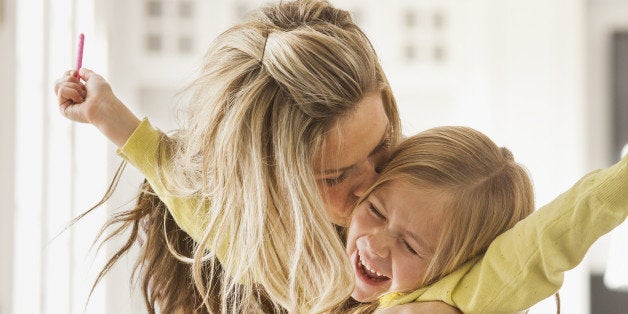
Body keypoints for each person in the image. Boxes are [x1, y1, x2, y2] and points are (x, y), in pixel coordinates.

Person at [54, 0, 628, 312]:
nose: (372, 185)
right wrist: (112, 117)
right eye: (335, 176)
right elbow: (207, 213)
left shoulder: (453, 269)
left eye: (381, 145)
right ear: (276, 194)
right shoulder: (286, 260)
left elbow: (562, 228)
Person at [343, 126, 628, 313]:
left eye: (411, 246)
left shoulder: (462, 295)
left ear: (463, 263)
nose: (375, 245)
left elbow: (552, 234)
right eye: (376, 211)